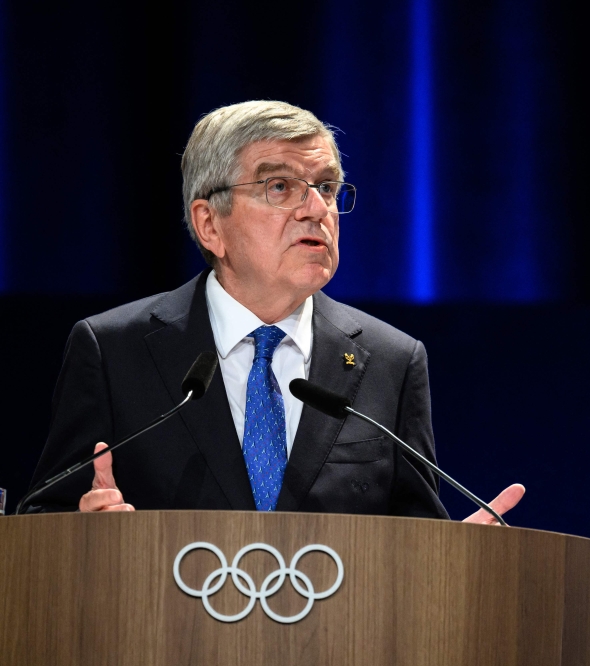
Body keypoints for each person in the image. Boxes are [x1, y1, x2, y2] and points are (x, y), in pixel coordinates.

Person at [27, 100, 523, 523]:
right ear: (209, 225)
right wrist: (85, 534)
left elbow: (415, 538)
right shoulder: (113, 350)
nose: (316, 210)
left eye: (326, 187)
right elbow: (39, 527)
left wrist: (457, 556)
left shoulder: (391, 360)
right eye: (280, 187)